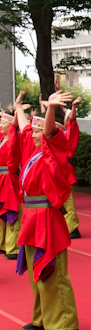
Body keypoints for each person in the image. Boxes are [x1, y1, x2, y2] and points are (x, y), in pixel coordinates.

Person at [13, 91, 80, 330]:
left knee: (53, 272)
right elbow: (23, 129)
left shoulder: (54, 153)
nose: (33, 134)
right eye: (34, 131)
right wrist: (19, 108)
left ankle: (65, 322)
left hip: (46, 218)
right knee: (35, 271)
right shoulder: (33, 154)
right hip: (31, 216)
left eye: (37, 131)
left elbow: (51, 133)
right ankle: (43, 316)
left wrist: (50, 109)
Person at [0, 97, 22, 260]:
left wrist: (17, 109)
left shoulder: (12, 140)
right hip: (1, 179)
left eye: (2, 123)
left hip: (8, 179)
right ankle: (3, 244)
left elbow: (15, 130)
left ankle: (12, 246)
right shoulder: (2, 140)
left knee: (12, 212)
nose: (0, 125)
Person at [61, 99, 81, 238]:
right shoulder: (59, 132)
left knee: (67, 201)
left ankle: (72, 228)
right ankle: (66, 227)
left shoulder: (70, 131)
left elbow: (72, 119)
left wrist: (73, 107)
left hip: (65, 170)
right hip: (59, 170)